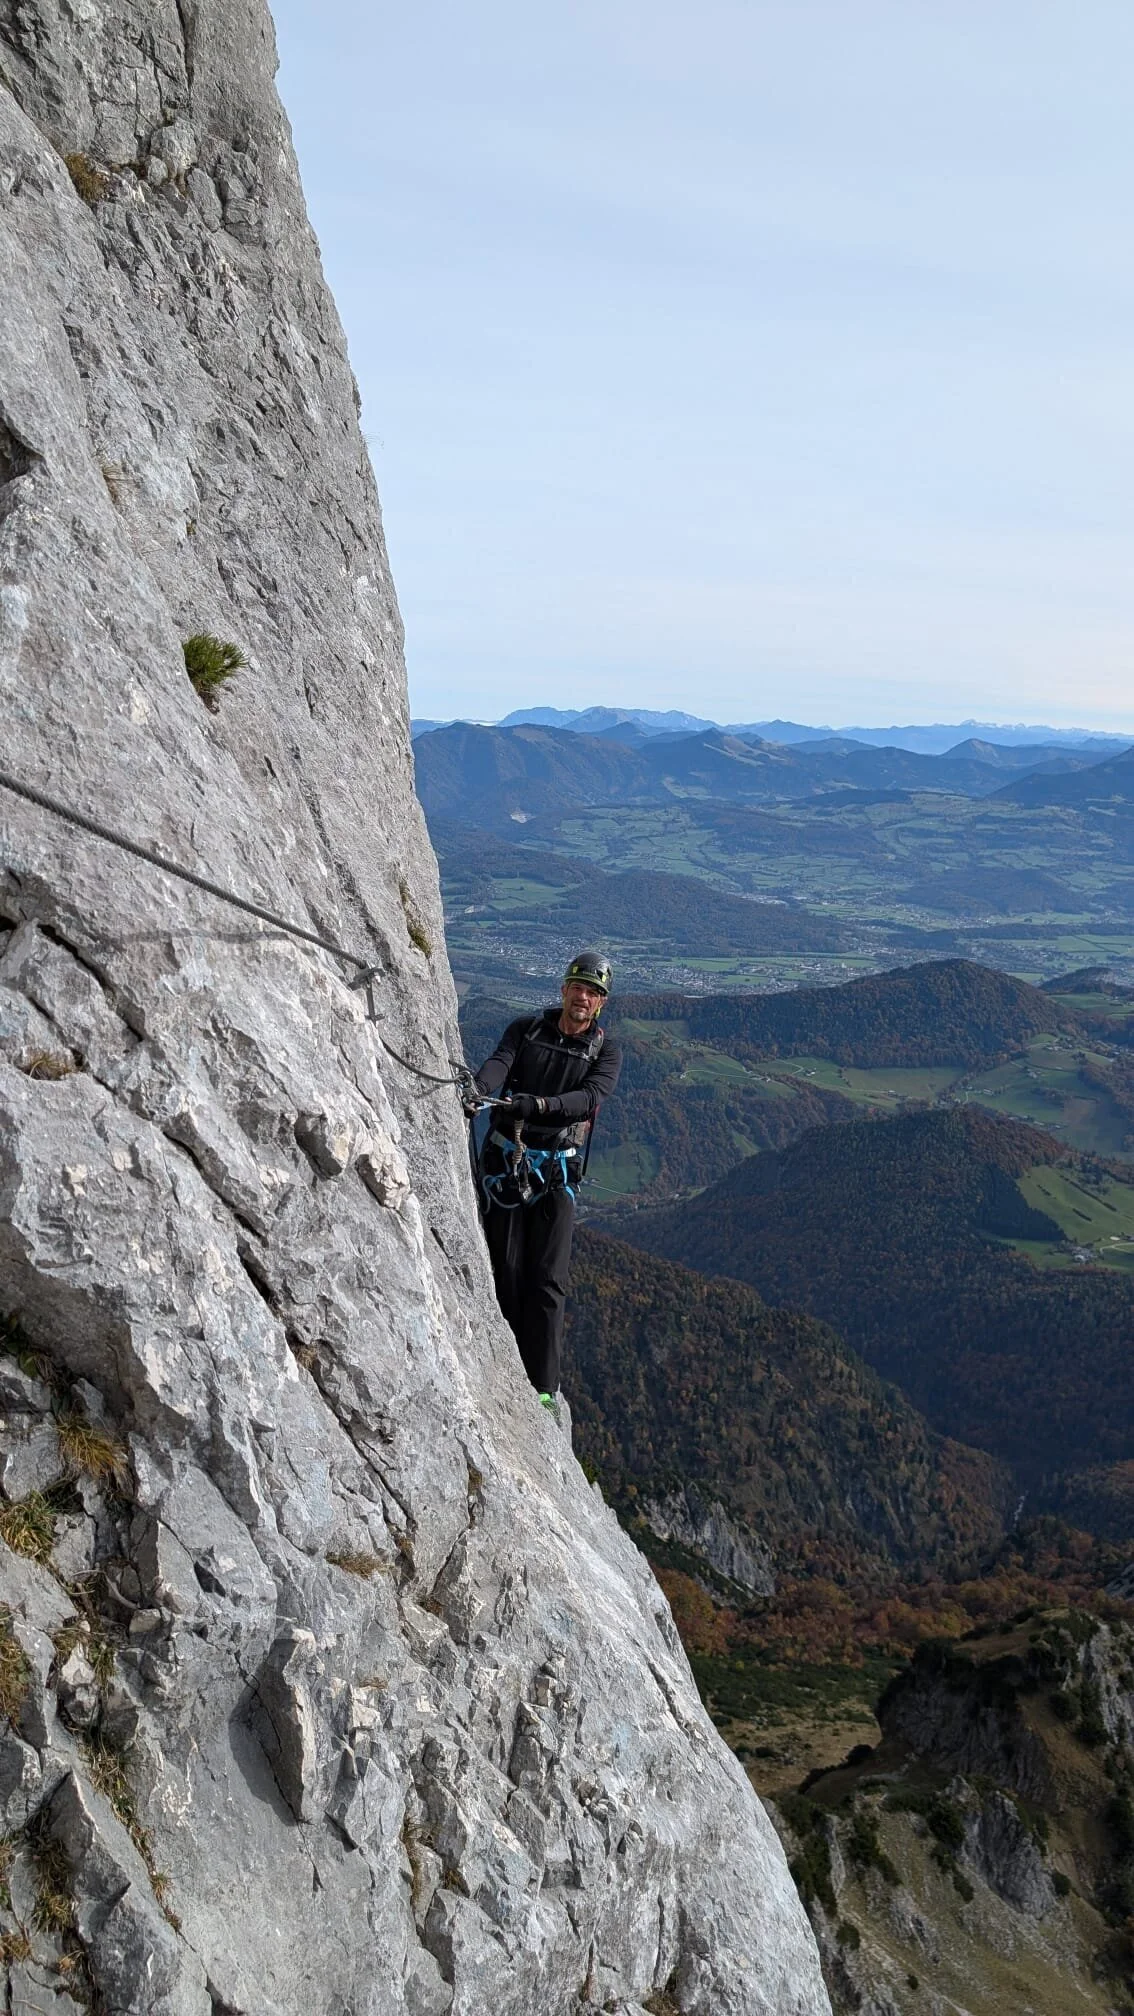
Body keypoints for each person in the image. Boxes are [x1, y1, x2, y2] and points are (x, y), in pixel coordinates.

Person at [468, 953, 622, 1408]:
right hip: (509, 1165)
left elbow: (589, 1097)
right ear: (563, 990)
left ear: (600, 1004)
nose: (583, 997)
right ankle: (505, 1362)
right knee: (508, 1270)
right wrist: (478, 1088)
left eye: (593, 993)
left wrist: (535, 1107)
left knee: (549, 1279)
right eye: (578, 987)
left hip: (556, 1172)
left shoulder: (604, 1050)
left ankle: (543, 1387)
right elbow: (501, 1061)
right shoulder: (526, 1029)